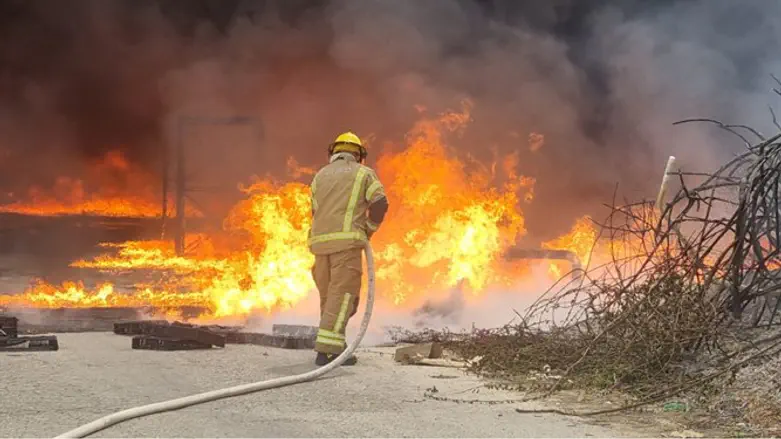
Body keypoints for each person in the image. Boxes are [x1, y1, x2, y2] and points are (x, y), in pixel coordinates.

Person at [308, 131, 389, 366]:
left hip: (320, 245)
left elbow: (315, 212)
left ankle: (337, 345)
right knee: (344, 298)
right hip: (347, 245)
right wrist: (369, 229)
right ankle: (326, 352)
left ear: (333, 151)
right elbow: (380, 202)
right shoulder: (364, 173)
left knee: (330, 298)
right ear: (359, 154)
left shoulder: (319, 176)